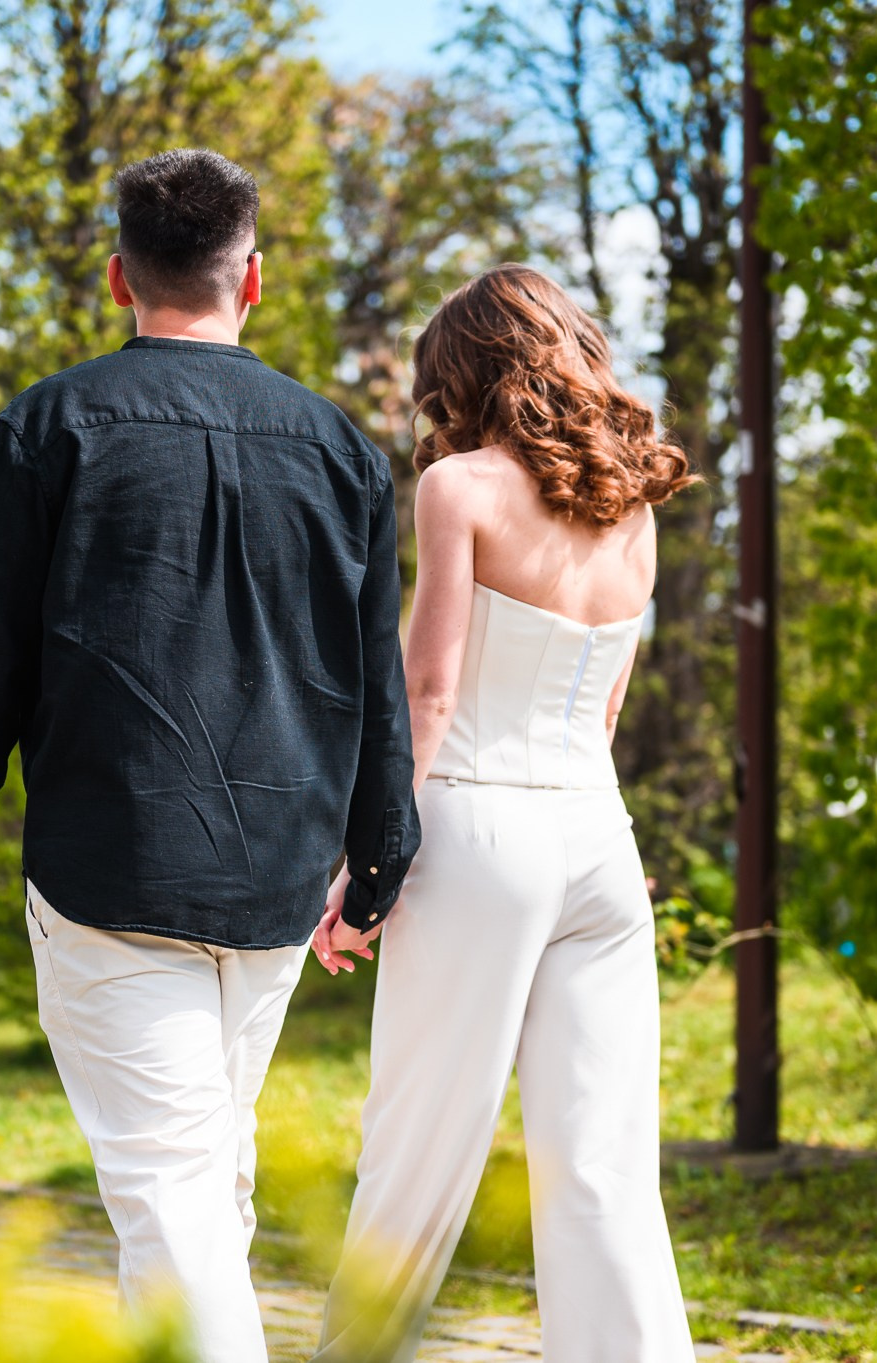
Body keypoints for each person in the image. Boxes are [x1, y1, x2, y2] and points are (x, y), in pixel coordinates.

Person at [0, 148, 419, 1363]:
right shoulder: (342, 451)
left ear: (117, 277)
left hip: (112, 868)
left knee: (173, 1195)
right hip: (278, 876)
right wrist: (373, 865)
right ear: (253, 279)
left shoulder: (44, 431)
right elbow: (374, 683)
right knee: (203, 1181)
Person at [309, 264, 702, 1362]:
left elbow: (428, 694)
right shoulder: (633, 503)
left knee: (416, 1150)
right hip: (598, 839)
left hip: (477, 832)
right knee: (602, 1165)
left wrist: (368, 865)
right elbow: (609, 706)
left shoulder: (459, 489)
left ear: (464, 375)